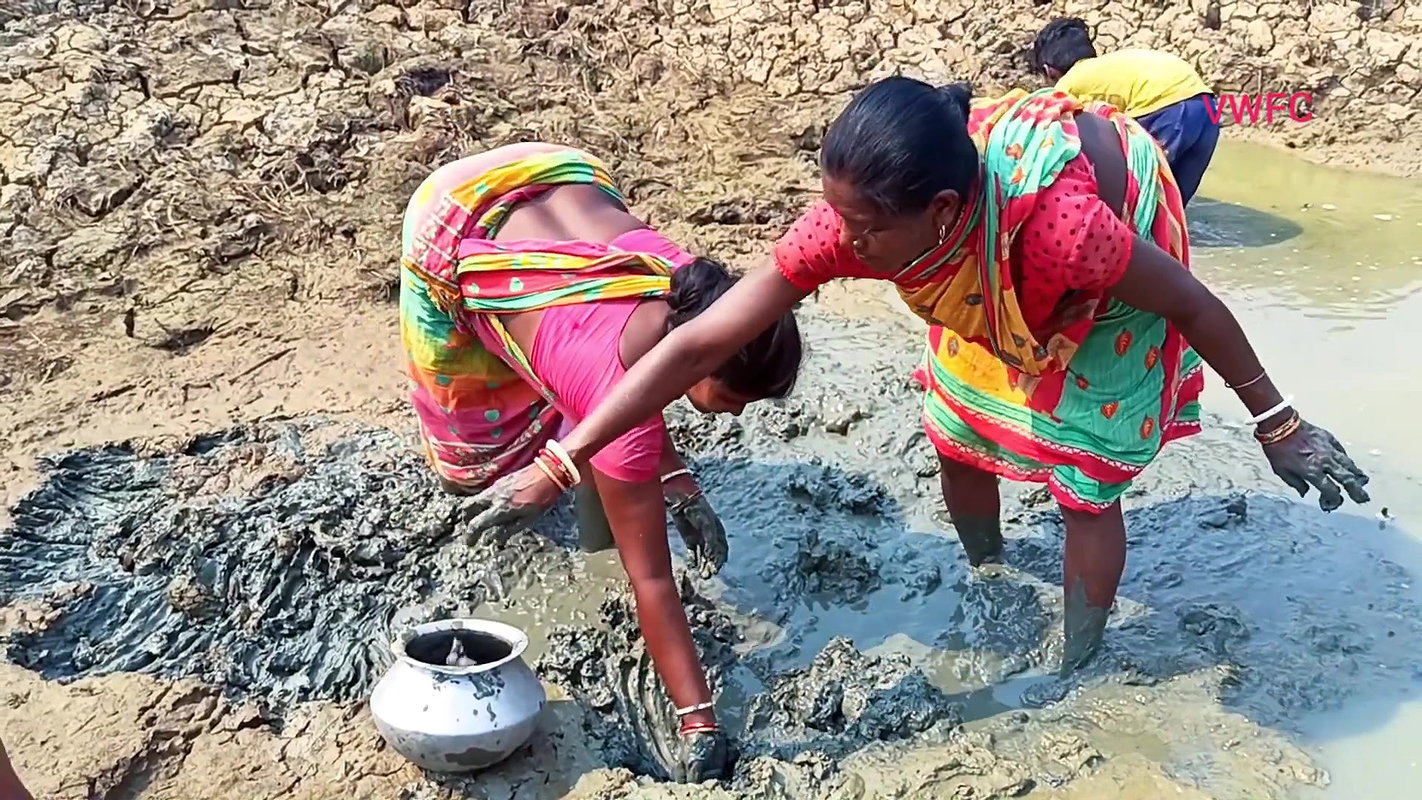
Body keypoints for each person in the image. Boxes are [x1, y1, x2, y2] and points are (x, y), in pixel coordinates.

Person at [460, 80, 1370, 675]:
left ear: (939, 211)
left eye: (864, 230)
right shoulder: (862, 225)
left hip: (1104, 270)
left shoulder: (1066, 231)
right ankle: (990, 572)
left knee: (1087, 482)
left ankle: (1077, 658)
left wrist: (1279, 423)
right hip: (984, 275)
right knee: (960, 424)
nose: (843, 246)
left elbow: (1194, 305)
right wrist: (565, 457)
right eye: (837, 216)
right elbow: (699, 345)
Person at [401, 142, 804, 780]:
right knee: (473, 457)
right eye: (735, 398)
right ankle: (556, 497)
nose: (734, 415)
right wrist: (698, 720)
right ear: (698, 357)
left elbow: (639, 377)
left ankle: (587, 481)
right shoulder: (617, 399)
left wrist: (680, 488)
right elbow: (653, 582)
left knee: (578, 399)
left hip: (558, 171)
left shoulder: (691, 286)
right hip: (448, 218)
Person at [1032, 17, 1220, 205]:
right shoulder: (1110, 66)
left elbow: (1042, 133)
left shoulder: (1069, 83)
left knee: (1137, 196)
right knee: (1174, 204)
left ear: (1049, 71)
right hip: (1207, 107)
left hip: (1169, 108)